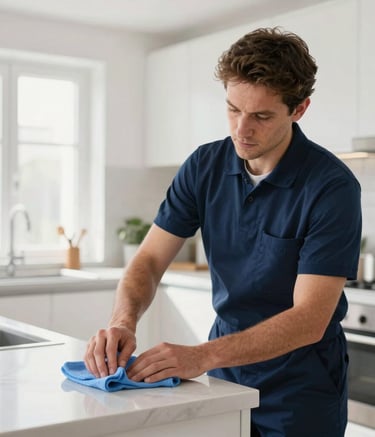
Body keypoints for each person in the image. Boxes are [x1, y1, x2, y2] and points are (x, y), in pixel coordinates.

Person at [85, 27, 362, 436]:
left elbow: (309, 320)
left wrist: (200, 356)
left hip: (300, 389)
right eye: (233, 109)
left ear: (299, 109)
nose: (241, 130)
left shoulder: (331, 187)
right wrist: (123, 322)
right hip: (223, 375)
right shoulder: (205, 166)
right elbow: (147, 260)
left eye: (261, 116)